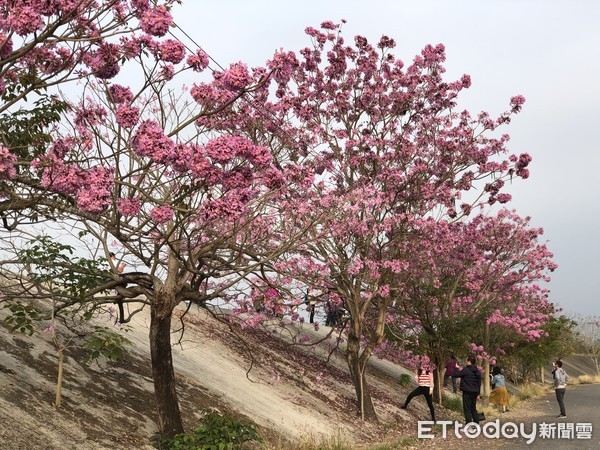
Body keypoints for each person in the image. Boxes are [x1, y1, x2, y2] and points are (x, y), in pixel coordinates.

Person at [454, 356, 482, 425]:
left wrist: (456, 368)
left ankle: (468, 424)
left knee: (467, 408)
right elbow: (479, 383)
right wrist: (478, 393)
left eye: (466, 360)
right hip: (475, 392)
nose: (466, 361)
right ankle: (476, 423)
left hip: (467, 392)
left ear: (469, 361)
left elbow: (457, 375)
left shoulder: (466, 369)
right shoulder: (477, 371)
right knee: (473, 408)